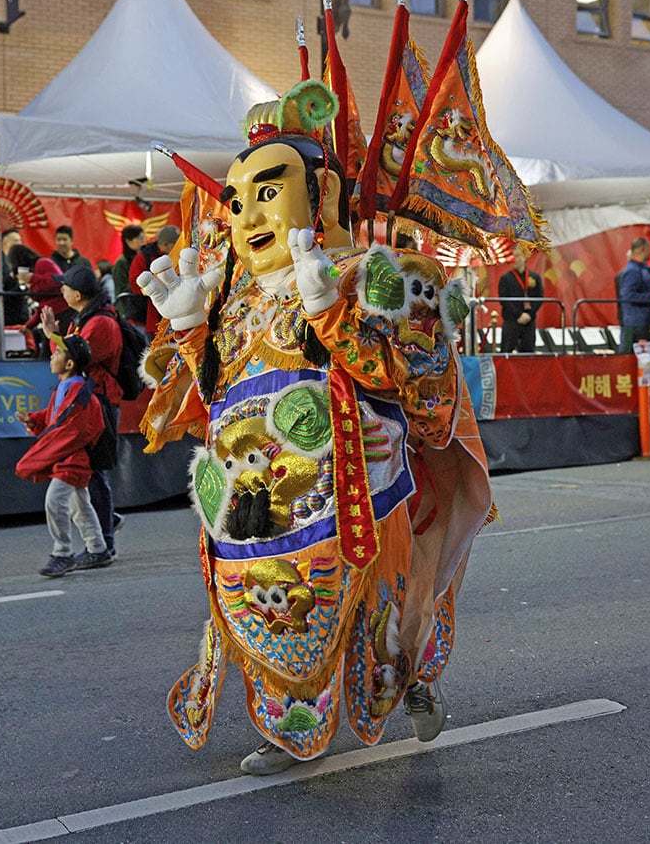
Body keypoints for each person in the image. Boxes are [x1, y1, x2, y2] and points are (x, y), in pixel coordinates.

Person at [136, 81, 493, 775]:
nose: (248, 215)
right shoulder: (232, 303)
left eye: (270, 191)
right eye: (237, 201)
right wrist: (188, 329)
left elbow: (410, 376)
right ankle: (290, 730)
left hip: (355, 497)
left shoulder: (369, 273)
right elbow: (213, 401)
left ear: (321, 195)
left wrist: (330, 309)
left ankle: (411, 676)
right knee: (267, 609)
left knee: (375, 614)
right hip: (255, 509)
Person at [40, 263, 122, 568]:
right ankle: (103, 531)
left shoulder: (99, 324)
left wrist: (52, 336)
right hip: (90, 401)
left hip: (96, 404)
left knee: (95, 473)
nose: (61, 291)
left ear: (76, 294)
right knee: (89, 479)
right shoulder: (84, 320)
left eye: (64, 287)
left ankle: (104, 544)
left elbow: (76, 357)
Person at [14, 333, 110, 578]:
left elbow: (71, 430)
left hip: (73, 458)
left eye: (57, 353)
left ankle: (62, 553)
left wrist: (43, 450)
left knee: (55, 502)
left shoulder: (80, 394)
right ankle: (98, 548)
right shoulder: (68, 388)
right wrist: (35, 420)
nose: (51, 355)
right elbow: (55, 418)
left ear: (69, 364)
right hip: (68, 456)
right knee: (79, 506)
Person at [128, 224, 180, 334]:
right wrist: (156, 285)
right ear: (166, 245)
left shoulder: (177, 255)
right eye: (176, 244)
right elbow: (134, 284)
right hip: (152, 314)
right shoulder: (143, 257)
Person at [496, 249, 543, 353]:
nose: (514, 260)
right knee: (507, 351)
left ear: (525, 257)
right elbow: (504, 300)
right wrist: (519, 315)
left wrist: (529, 314)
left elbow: (539, 298)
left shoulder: (534, 277)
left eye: (517, 256)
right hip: (511, 320)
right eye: (512, 257)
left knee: (528, 352)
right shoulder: (505, 278)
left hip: (529, 321)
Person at [113, 225, 147, 324]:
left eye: (143, 238)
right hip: (130, 310)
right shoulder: (122, 262)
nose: (143, 241)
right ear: (128, 241)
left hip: (142, 307)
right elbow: (121, 288)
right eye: (139, 238)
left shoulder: (144, 257)